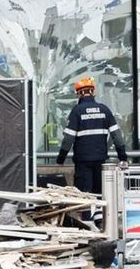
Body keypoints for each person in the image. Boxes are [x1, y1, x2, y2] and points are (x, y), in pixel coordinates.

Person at [55, 77, 129, 206]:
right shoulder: (104, 110)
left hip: (83, 162)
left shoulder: (77, 111)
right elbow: (117, 136)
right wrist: (122, 157)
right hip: (100, 161)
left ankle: (87, 222)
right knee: (100, 195)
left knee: (84, 196)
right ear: (93, 92)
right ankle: (100, 221)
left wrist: (61, 158)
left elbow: (68, 139)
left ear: (79, 94)